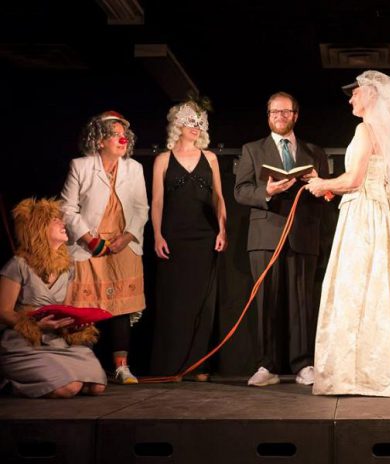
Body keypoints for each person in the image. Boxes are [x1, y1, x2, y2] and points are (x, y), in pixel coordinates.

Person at [306, 70, 390, 397]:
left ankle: (352, 375)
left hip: (363, 216)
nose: (351, 98)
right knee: (377, 289)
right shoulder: (384, 133)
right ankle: (379, 373)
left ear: (372, 96)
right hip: (378, 216)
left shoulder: (365, 129)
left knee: (355, 287)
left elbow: (354, 180)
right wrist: (338, 188)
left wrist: (322, 185)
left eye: (356, 93)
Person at [234, 92, 329, 387]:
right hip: (265, 235)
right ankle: (266, 365)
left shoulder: (314, 151)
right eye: (274, 112)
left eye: (285, 112)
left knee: (302, 301)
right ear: (268, 116)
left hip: (303, 234)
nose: (279, 116)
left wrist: (317, 182)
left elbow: (328, 195)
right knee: (265, 302)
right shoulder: (253, 149)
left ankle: (303, 364)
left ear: (295, 115)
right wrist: (268, 192)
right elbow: (241, 191)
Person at [61, 111, 149, 384]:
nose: (122, 138)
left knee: (121, 306)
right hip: (90, 247)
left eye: (124, 133)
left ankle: (121, 367)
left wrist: (128, 236)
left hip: (123, 246)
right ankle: (81, 364)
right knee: (86, 307)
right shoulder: (81, 166)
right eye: (114, 134)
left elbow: (140, 208)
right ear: (99, 141)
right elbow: (67, 207)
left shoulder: (134, 168)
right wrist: (89, 238)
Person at [149, 100, 227, 380]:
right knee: (174, 302)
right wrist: (157, 234)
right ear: (177, 125)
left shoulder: (211, 158)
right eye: (189, 122)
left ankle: (198, 365)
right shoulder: (162, 160)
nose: (195, 128)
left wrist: (222, 229)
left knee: (201, 302)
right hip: (174, 236)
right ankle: (173, 365)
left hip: (204, 236)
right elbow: (156, 202)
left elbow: (219, 197)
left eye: (199, 123)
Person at [0, 198, 107, 398]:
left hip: (57, 340)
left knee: (97, 387)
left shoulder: (67, 267)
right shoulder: (18, 265)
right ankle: (10, 383)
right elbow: (3, 311)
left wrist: (74, 323)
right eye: (55, 221)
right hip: (26, 342)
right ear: (38, 228)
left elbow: (64, 307)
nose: (62, 223)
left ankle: (57, 375)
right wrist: (36, 324)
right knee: (70, 387)